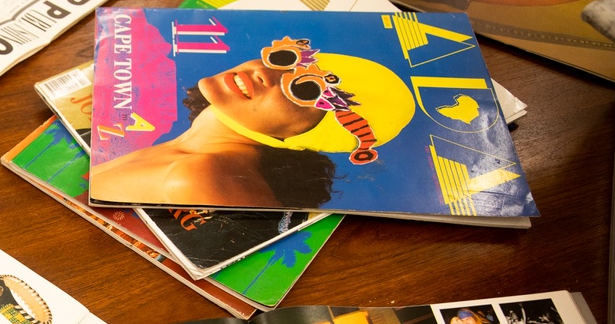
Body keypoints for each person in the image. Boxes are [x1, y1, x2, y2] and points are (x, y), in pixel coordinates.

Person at [90, 37, 415, 209]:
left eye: (303, 90)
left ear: (306, 137)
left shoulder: (201, 176)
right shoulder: (187, 157)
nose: (265, 73)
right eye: (287, 60)